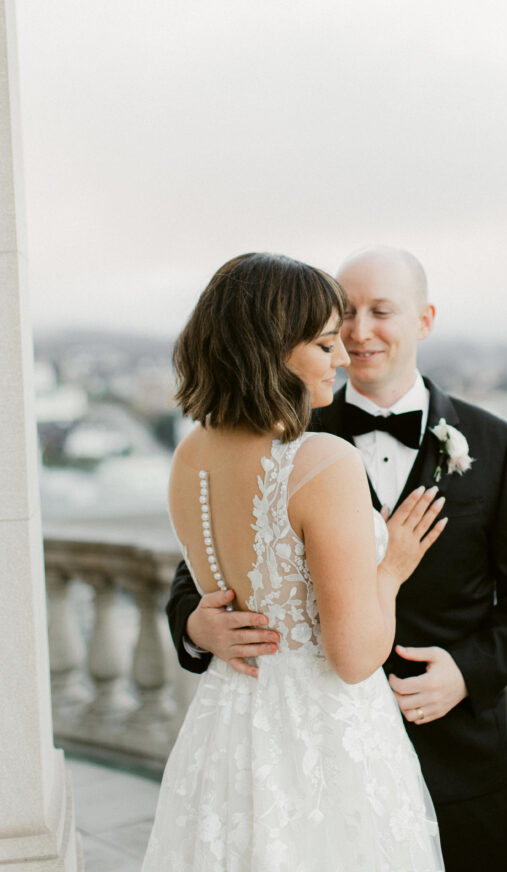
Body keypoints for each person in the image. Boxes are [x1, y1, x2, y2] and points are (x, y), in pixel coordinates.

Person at [167, 246, 507, 872]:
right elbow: (199, 573)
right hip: (316, 753)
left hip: (459, 757)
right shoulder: (295, 437)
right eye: (341, 318)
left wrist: (467, 672)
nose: (355, 335)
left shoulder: (493, 440)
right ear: (286, 339)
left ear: (424, 320)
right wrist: (196, 624)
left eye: (381, 311)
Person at [142, 252, 447, 872]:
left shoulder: (189, 457)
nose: (343, 357)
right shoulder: (324, 463)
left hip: (227, 732)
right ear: (273, 348)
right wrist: (390, 568)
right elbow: (355, 657)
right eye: (326, 342)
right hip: (323, 742)